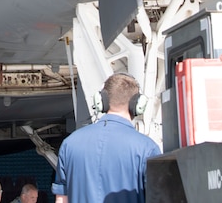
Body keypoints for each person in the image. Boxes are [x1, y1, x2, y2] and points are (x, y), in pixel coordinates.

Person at [51, 72, 161, 203]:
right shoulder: (147, 148)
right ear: (137, 105)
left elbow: (62, 199)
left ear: (101, 101)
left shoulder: (70, 144)